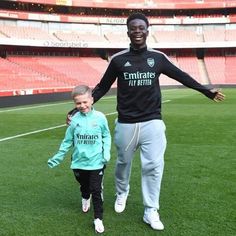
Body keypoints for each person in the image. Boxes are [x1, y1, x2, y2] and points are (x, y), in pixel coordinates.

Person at [67, 13, 225, 231]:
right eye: (133, 28)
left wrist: (205, 90)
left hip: (153, 122)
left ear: (147, 30)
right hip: (126, 123)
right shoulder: (118, 60)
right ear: (128, 32)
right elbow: (102, 87)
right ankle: (122, 192)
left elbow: (181, 76)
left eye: (141, 27)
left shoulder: (157, 58)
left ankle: (151, 210)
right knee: (123, 163)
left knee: (153, 166)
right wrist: (76, 109)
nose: (138, 31)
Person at [48, 85, 111, 234]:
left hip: (96, 162)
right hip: (78, 162)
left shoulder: (100, 118)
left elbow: (106, 136)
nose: (82, 106)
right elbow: (67, 140)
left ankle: (98, 219)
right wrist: (58, 156)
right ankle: (84, 196)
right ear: (75, 104)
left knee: (96, 190)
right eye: (78, 103)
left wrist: (106, 152)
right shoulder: (74, 120)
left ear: (92, 100)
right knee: (85, 186)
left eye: (85, 102)